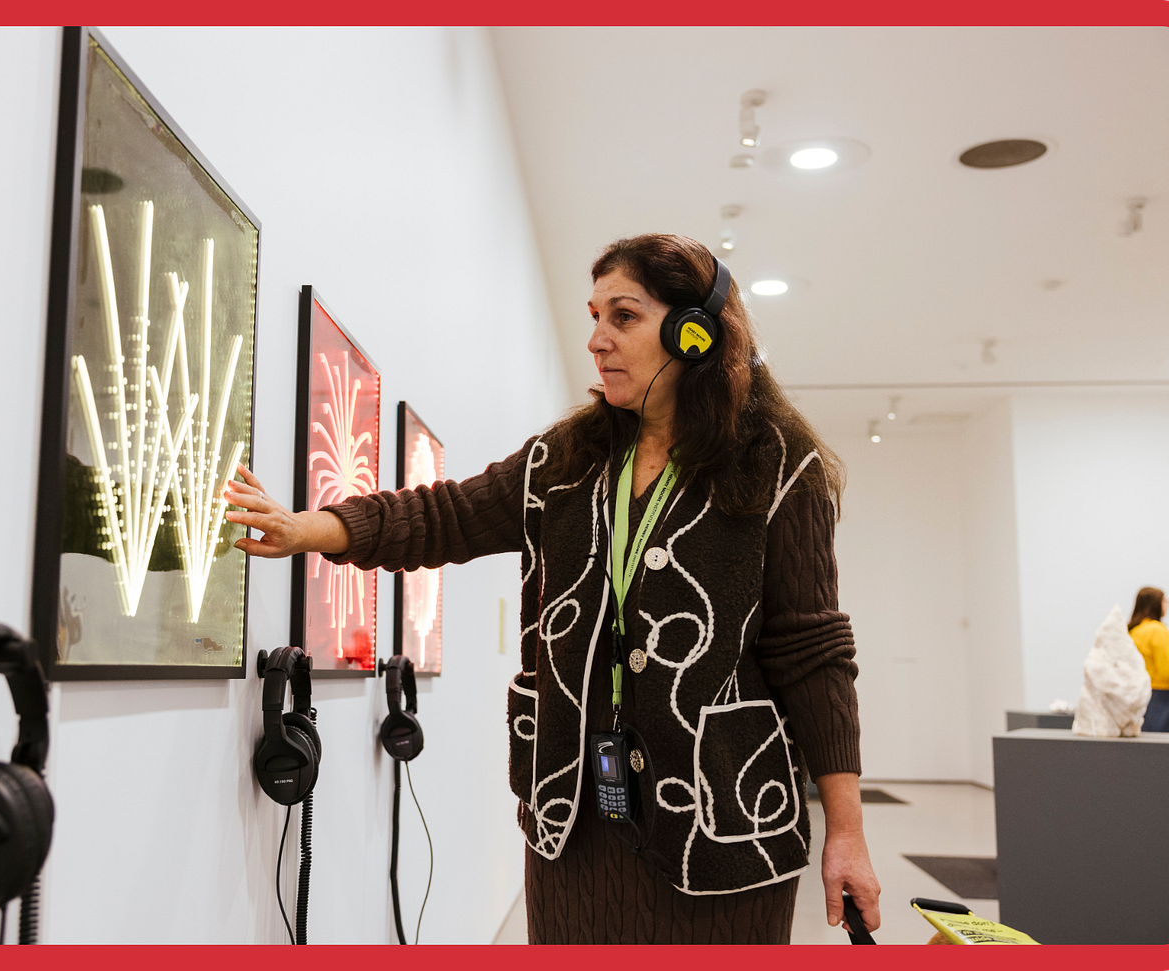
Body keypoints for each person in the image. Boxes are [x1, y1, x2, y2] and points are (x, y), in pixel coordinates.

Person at [223, 233, 880, 944]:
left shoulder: (780, 466)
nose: (596, 339)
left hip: (723, 831)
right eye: (593, 316)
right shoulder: (564, 461)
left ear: (695, 333)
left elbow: (811, 654)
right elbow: (446, 515)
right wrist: (307, 529)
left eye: (622, 316)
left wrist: (846, 829)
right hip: (576, 824)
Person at [1128, 586, 1169, 733]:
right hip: (1164, 698)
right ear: (1155, 603)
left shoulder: (1134, 630)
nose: (1167, 605)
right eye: (1165, 601)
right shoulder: (1158, 631)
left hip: (1140, 695)